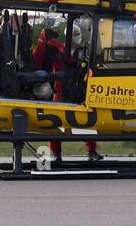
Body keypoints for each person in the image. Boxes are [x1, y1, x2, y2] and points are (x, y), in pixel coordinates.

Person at [33, 25, 101, 166]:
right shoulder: (57, 48)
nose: (76, 36)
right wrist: (43, 41)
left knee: (85, 120)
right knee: (56, 123)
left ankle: (91, 151)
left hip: (80, 89)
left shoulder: (85, 51)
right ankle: (56, 154)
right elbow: (37, 57)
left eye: (77, 33)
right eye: (73, 33)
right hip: (61, 90)